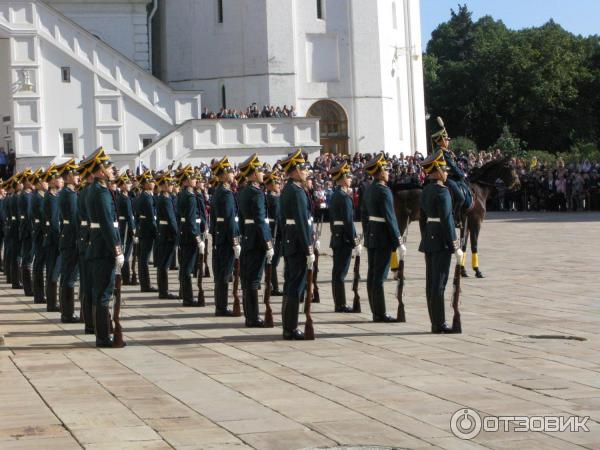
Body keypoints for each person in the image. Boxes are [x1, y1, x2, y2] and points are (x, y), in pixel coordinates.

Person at [81, 147, 124, 347]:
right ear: (99, 171)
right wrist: (117, 249)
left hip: (96, 246)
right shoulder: (101, 192)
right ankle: (103, 337)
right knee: (104, 293)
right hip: (104, 248)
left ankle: (102, 334)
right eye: (107, 166)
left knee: (100, 293)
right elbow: (107, 223)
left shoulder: (92, 190)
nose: (111, 169)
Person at [418, 150, 463, 333]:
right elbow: (447, 220)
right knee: (439, 283)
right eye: (444, 170)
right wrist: (455, 245)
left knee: (431, 283)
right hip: (442, 242)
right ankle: (440, 324)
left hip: (429, 238)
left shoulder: (426, 190)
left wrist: (426, 237)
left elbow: (422, 218)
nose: (446, 173)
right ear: (436, 171)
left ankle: (435, 321)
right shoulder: (443, 192)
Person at [361, 153, 403, 322]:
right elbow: (390, 217)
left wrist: (366, 235)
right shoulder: (384, 191)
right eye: (385, 169)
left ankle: (375, 310)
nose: (388, 172)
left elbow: (364, 215)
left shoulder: (369, 189)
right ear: (379, 172)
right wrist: (398, 241)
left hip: (372, 234)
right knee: (379, 276)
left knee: (372, 274)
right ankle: (380, 313)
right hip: (382, 237)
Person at [279, 149, 315, 340]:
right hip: (298, 243)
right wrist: (309, 248)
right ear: (294, 171)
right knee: (296, 285)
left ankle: (288, 326)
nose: (305, 171)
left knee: (292, 284)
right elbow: (301, 221)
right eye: (302, 168)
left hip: (291, 241)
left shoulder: (290, 189)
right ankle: (291, 328)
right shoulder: (296, 191)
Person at [237, 154, 274, 327]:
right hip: (257, 239)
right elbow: (260, 219)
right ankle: (253, 317)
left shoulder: (243, 191)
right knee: (254, 279)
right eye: (258, 170)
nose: (261, 173)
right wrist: (268, 242)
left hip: (247, 237)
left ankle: (249, 315)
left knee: (247, 278)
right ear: (252, 174)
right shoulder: (257, 193)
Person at [209, 156, 240, 316]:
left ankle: (220, 306)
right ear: (224, 174)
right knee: (224, 274)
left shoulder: (217, 191)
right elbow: (230, 220)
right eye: (230, 172)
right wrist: (235, 241)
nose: (233, 174)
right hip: (226, 239)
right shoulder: (226, 193)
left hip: (219, 237)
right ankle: (221, 307)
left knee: (221, 273)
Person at [329, 161, 360, 313]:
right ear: (341, 178)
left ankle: (338, 302)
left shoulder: (335, 195)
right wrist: (355, 240)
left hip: (336, 236)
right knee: (341, 272)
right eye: (348, 176)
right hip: (344, 239)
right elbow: (348, 222)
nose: (350, 179)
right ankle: (340, 304)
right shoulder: (344, 197)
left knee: (337, 271)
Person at [431, 118, 472, 221]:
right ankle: (454, 217)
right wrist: (462, 174)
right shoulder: (443, 151)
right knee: (461, 198)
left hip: (446, 176)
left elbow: (453, 163)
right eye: (446, 139)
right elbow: (452, 166)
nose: (448, 141)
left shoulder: (443, 150)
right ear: (442, 141)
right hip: (446, 177)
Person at [56, 159, 80, 322]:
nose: (79, 177)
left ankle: (66, 311)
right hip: (71, 238)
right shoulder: (69, 195)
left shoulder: (67, 193)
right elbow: (74, 220)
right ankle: (68, 313)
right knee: (69, 276)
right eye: (76, 173)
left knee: (67, 275)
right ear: (69, 176)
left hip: (67, 237)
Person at [155, 173, 179, 300]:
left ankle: (162, 289)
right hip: (168, 234)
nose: (171, 186)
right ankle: (163, 291)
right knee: (164, 264)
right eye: (169, 184)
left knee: (162, 263)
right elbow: (171, 219)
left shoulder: (162, 198)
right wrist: (177, 234)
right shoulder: (165, 199)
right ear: (164, 185)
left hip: (162, 232)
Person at [135, 170, 158, 292]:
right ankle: (145, 284)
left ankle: (145, 283)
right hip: (147, 229)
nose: (153, 183)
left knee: (143, 257)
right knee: (144, 258)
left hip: (143, 228)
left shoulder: (144, 195)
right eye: (151, 181)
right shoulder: (146, 197)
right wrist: (156, 233)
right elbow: (150, 216)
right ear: (145, 184)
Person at [43, 164, 62, 311]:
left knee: (51, 270)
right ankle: (52, 303)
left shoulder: (50, 196)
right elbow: (55, 222)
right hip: (53, 240)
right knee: (52, 271)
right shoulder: (52, 198)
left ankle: (51, 302)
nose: (61, 181)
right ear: (52, 181)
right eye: (59, 179)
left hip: (50, 238)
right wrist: (59, 240)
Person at [265, 172, 283, 296]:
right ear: (271, 185)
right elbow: (278, 218)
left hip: (272, 230)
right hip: (275, 231)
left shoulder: (269, 197)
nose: (279, 184)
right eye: (277, 183)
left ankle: (272, 285)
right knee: (273, 261)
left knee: (271, 261)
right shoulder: (274, 198)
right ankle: (273, 287)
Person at [116, 174, 137, 285]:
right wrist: (133, 230)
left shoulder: (120, 196)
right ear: (122, 185)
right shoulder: (125, 198)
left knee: (125, 252)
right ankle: (126, 278)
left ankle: (125, 277)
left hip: (122, 224)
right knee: (126, 253)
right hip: (126, 227)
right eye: (127, 183)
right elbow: (129, 215)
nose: (129, 185)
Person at [18, 169, 35, 297]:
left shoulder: (25, 195)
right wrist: (32, 230)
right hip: (28, 231)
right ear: (27, 181)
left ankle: (28, 287)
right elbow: (29, 215)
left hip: (26, 230)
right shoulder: (26, 195)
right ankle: (29, 288)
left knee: (27, 259)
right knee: (28, 260)